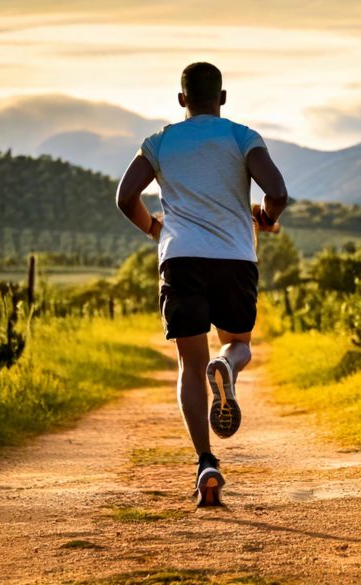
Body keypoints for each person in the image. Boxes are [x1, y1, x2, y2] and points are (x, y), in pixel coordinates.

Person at [115, 62, 289, 507]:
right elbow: (277, 191)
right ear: (223, 98)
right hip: (234, 258)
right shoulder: (241, 136)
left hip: (181, 258)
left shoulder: (160, 141)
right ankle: (228, 367)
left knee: (190, 365)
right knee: (239, 343)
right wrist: (265, 218)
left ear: (181, 100)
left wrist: (157, 230)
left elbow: (124, 197)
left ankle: (206, 463)